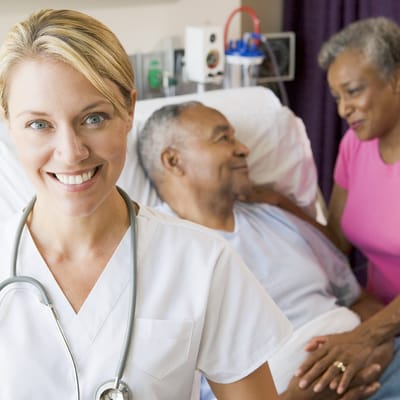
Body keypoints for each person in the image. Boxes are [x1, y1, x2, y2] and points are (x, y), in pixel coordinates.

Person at [0, 9, 293, 399]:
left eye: (94, 118)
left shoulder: (202, 263)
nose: (71, 153)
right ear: (8, 124)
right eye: (39, 124)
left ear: (128, 111)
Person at [136, 100, 400, 400]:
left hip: (381, 368)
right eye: (224, 138)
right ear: (173, 160)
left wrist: (369, 346)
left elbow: (360, 300)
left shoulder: (276, 217)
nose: (244, 149)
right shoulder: (155, 256)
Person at [292, 17, 400, 396]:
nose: (343, 110)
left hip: (381, 328)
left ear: (396, 80)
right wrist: (275, 203)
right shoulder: (355, 146)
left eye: (353, 92)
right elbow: (337, 241)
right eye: (337, 97)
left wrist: (362, 337)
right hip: (378, 317)